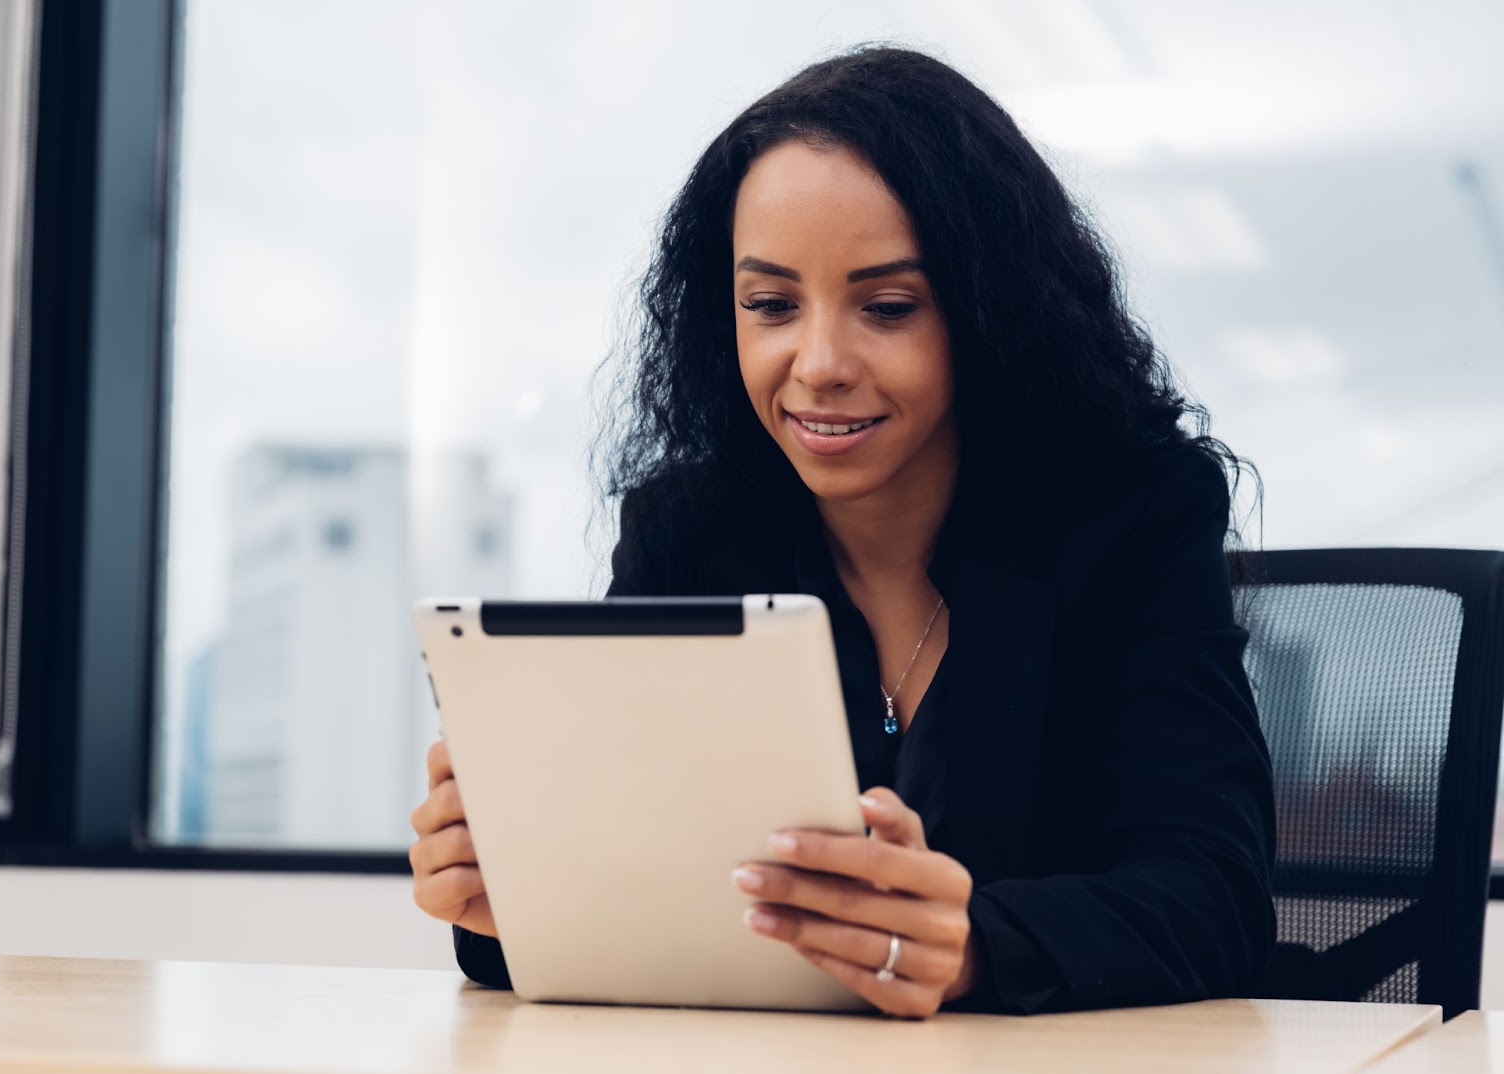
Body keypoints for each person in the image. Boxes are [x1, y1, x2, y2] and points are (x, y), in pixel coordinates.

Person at [409, 43, 1275, 1019]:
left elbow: (1217, 900)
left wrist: (976, 947)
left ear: (987, 314)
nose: (817, 363)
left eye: (888, 307)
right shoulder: (688, 533)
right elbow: (636, 911)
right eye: (770, 305)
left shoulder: (1135, 517)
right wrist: (505, 898)